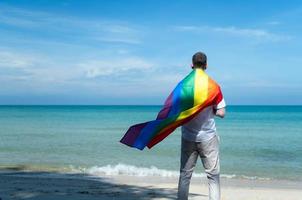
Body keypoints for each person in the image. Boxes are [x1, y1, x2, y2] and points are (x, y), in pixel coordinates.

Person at [177, 52, 226, 200]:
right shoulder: (213, 86)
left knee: (185, 175)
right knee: (213, 176)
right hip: (208, 137)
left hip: (188, 136)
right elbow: (222, 113)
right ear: (206, 65)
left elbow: (176, 110)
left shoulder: (183, 86)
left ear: (191, 65)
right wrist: (211, 109)